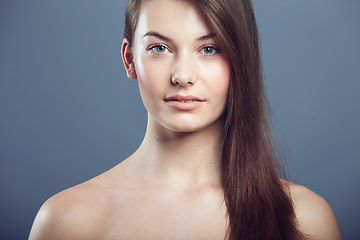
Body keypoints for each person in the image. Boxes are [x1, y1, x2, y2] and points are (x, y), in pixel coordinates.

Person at [29, 0, 342, 239]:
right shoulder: (66, 221)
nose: (182, 76)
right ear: (129, 59)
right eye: (160, 48)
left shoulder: (305, 220)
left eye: (208, 49)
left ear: (241, 58)